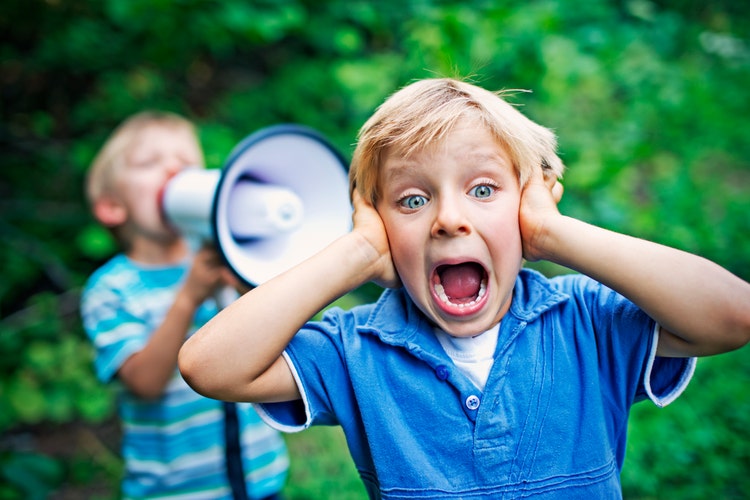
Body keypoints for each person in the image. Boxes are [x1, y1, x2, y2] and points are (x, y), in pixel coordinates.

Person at [178, 79, 750, 499]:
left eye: (482, 190)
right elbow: (210, 366)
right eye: (413, 200)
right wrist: (355, 253)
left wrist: (553, 233)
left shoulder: (586, 320)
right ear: (379, 225)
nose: (449, 219)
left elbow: (732, 315)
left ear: (529, 203)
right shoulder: (356, 349)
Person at [80, 111, 289, 499]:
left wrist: (247, 285)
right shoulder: (111, 289)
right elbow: (145, 383)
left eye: (186, 163)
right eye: (149, 163)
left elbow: (276, 343)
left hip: (261, 478)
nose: (174, 169)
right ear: (112, 206)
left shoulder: (227, 258)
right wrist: (189, 298)